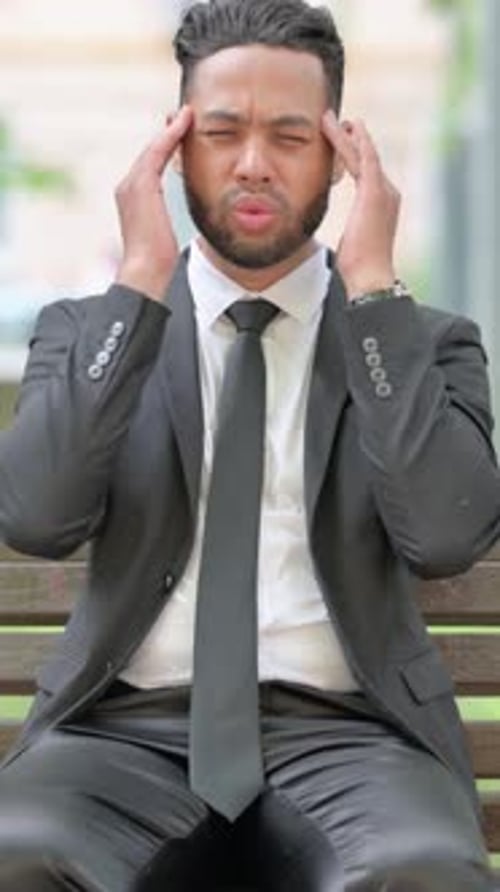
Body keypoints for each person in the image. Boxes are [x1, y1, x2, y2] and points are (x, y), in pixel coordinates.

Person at [0, 1, 499, 889]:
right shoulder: (91, 333)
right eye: (222, 132)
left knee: (422, 872)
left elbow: (446, 534)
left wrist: (375, 292)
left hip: (352, 737)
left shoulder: (423, 341)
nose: (254, 164)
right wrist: (141, 281)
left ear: (343, 158)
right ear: (175, 146)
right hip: (121, 737)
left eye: (291, 136)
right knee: (16, 854)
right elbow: (38, 516)